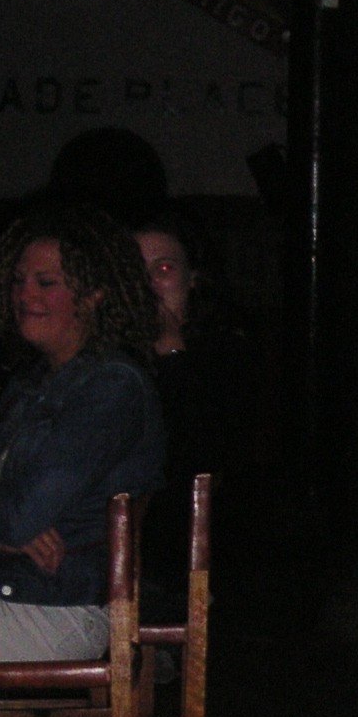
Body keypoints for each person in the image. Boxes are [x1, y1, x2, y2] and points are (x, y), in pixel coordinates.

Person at [0, 205, 164, 661]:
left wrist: (3, 525)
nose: (25, 295)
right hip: (1, 581)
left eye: (45, 282)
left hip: (57, 605)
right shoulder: (33, 379)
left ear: (94, 293)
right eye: (18, 280)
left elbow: (22, 518)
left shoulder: (110, 385)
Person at [131, 216, 252, 613]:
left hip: (181, 555)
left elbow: (208, 453)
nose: (148, 284)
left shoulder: (223, 353)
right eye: (134, 270)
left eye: (163, 269)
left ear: (192, 278)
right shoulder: (102, 361)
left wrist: (170, 352)